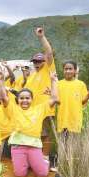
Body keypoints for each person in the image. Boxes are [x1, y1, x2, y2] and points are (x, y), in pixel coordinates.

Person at [0, 69, 59, 177]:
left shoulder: (39, 109)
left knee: (42, 174)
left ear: (32, 99)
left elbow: (54, 98)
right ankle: (27, 162)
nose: (24, 100)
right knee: (20, 174)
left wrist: (53, 80)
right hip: (18, 146)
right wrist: (1, 81)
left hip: (34, 146)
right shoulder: (13, 109)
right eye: (21, 98)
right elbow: (3, 97)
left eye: (27, 98)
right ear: (18, 99)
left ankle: (42, 161)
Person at [24, 27, 56, 163]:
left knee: (46, 135)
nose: (37, 64)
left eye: (40, 61)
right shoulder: (31, 77)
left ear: (44, 62)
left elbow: (48, 52)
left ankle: (46, 158)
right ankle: (36, 159)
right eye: (35, 62)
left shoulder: (48, 69)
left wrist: (41, 37)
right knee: (36, 134)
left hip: (46, 109)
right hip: (33, 111)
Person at [57, 60, 89, 133]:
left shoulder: (81, 84)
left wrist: (88, 96)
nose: (68, 71)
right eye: (66, 69)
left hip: (75, 120)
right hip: (63, 120)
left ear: (75, 71)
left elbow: (82, 102)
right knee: (63, 142)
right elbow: (57, 101)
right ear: (63, 70)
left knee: (74, 142)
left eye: (70, 69)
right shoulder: (58, 84)